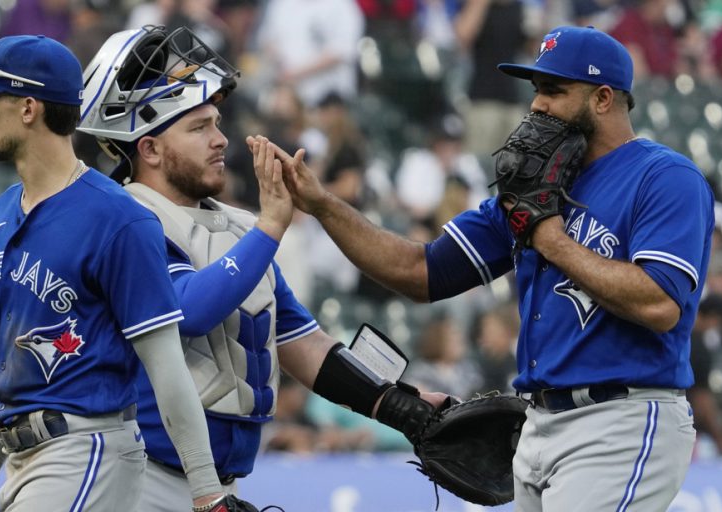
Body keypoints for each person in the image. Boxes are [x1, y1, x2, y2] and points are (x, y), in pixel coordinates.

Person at [267, 25, 715, 511]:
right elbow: (421, 271)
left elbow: (660, 302)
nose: (537, 104)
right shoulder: (534, 188)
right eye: (536, 90)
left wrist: (550, 240)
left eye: (554, 90)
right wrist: (323, 204)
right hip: (540, 424)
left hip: (623, 417)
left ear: (603, 98)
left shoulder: (664, 177)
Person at [77, 25, 447, 511]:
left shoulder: (237, 227)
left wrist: (403, 406)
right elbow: (188, 310)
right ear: (148, 149)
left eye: (216, 122)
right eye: (198, 127)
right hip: (143, 482)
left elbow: (302, 342)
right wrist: (272, 227)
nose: (219, 139)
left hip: (223, 488)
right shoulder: (123, 219)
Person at [0, 35, 234, 511]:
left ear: (28, 108)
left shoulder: (117, 218)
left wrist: (208, 493)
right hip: (19, 457)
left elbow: (167, 365)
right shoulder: (4, 209)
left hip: (85, 450)